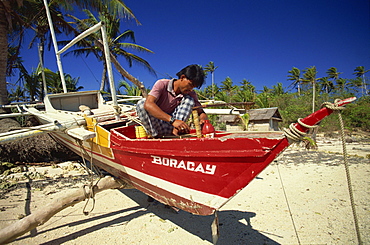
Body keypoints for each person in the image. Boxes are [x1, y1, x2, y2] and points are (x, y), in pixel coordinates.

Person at [136, 64, 208, 137]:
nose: (190, 89)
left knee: (189, 100)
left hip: (172, 128)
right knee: (142, 103)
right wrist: (173, 121)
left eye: (193, 87)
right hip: (158, 126)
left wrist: (203, 120)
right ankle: (155, 137)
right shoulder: (162, 84)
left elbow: (201, 112)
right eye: (190, 85)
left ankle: (175, 132)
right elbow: (148, 104)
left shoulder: (190, 93)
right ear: (182, 77)